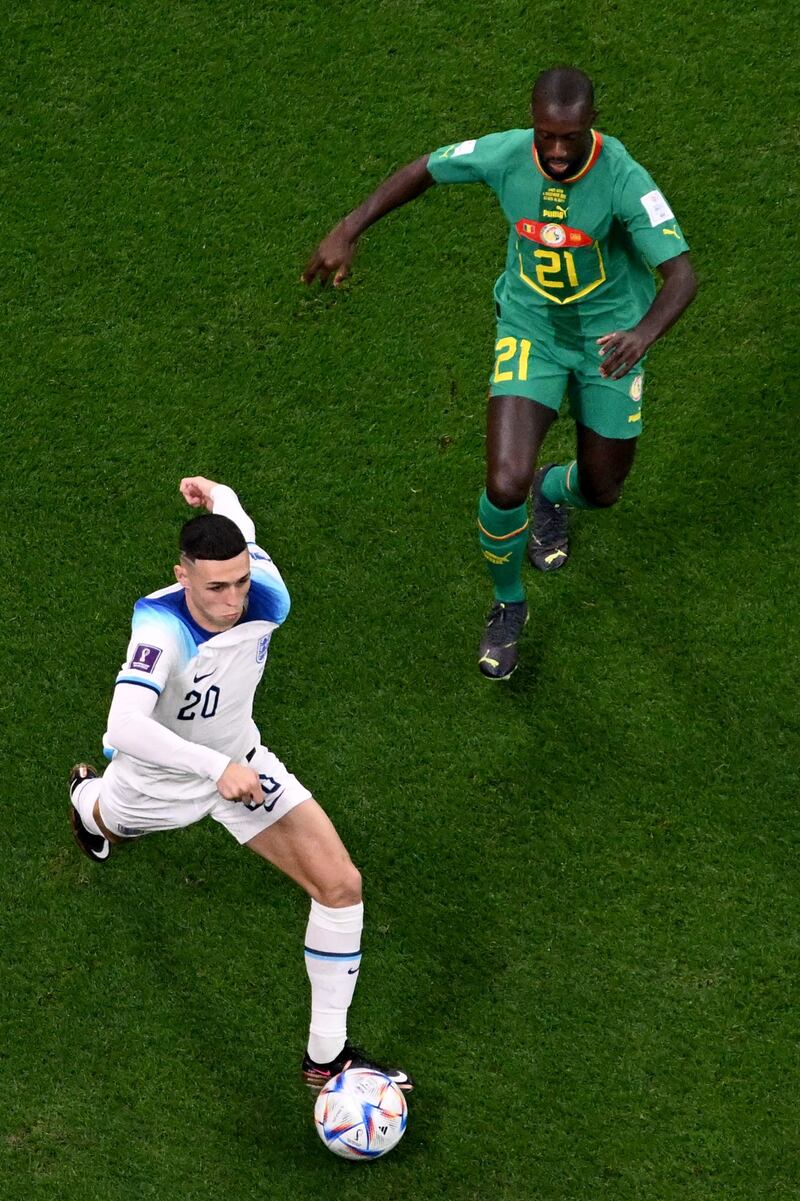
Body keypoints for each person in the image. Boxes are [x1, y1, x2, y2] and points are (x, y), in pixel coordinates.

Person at [303, 66, 698, 679]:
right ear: (532, 122)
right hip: (530, 332)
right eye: (547, 135)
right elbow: (425, 168)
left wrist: (642, 333)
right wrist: (349, 226)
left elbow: (682, 275)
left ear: (591, 124)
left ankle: (553, 491)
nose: (559, 150)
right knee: (503, 482)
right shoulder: (506, 153)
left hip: (609, 344)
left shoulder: (623, 175)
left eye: (571, 137)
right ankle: (508, 603)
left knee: (602, 489)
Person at [68, 475, 413, 1093]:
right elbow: (123, 723)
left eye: (240, 582)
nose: (233, 600)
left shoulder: (263, 589)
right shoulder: (159, 631)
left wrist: (218, 495)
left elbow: (241, 529)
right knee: (112, 822)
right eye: (215, 587)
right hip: (160, 780)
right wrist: (210, 768)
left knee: (341, 886)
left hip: (244, 766)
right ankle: (86, 804)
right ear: (181, 577)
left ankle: (326, 1059)